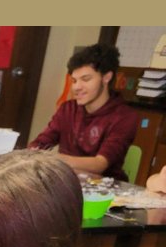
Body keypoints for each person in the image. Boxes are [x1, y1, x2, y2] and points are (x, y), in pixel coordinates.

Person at [29, 43, 139, 181]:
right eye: (74, 81)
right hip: (68, 181)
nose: (77, 87)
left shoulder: (125, 116)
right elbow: (40, 143)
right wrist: (33, 151)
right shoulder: (67, 109)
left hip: (105, 186)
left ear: (106, 77)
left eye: (86, 79)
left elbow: (100, 164)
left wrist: (51, 158)